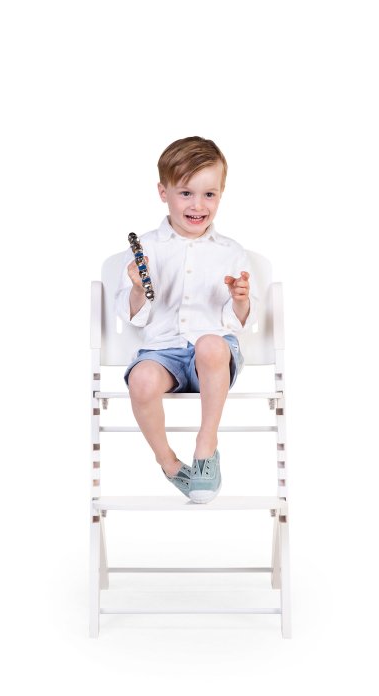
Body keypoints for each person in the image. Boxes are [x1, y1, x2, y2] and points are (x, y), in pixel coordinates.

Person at [114, 136, 256, 503]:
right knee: (141, 380)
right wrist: (137, 288)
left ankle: (206, 446)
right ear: (163, 192)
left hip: (212, 359)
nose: (198, 205)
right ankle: (170, 463)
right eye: (186, 193)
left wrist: (240, 300)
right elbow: (135, 317)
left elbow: (236, 322)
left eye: (209, 194)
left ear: (221, 194)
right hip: (163, 353)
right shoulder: (147, 247)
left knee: (210, 344)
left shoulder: (230, 252)